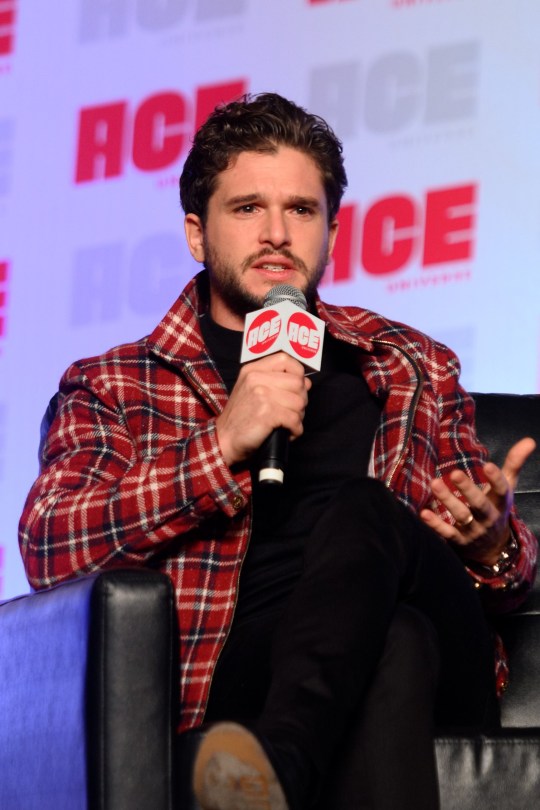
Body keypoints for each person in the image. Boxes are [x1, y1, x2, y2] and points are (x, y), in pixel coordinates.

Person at [19, 93, 537, 810]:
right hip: (240, 675)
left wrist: (493, 548)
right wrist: (221, 443)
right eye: (246, 209)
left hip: (452, 673)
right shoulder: (114, 383)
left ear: (329, 230)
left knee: (372, 520)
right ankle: (277, 759)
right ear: (198, 235)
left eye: (300, 209)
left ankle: (282, 770)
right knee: (395, 640)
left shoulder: (410, 362)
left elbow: (508, 588)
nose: (275, 234)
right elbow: (52, 545)